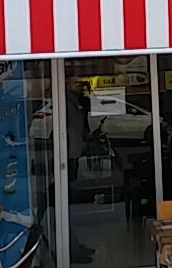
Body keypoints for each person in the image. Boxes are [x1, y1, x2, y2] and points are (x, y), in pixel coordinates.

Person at [65, 76, 95, 264]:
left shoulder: (77, 102)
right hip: (66, 157)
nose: (81, 86)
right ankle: (70, 248)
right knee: (65, 205)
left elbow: (79, 128)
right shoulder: (65, 104)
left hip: (73, 154)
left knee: (70, 204)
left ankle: (73, 244)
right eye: (77, 83)